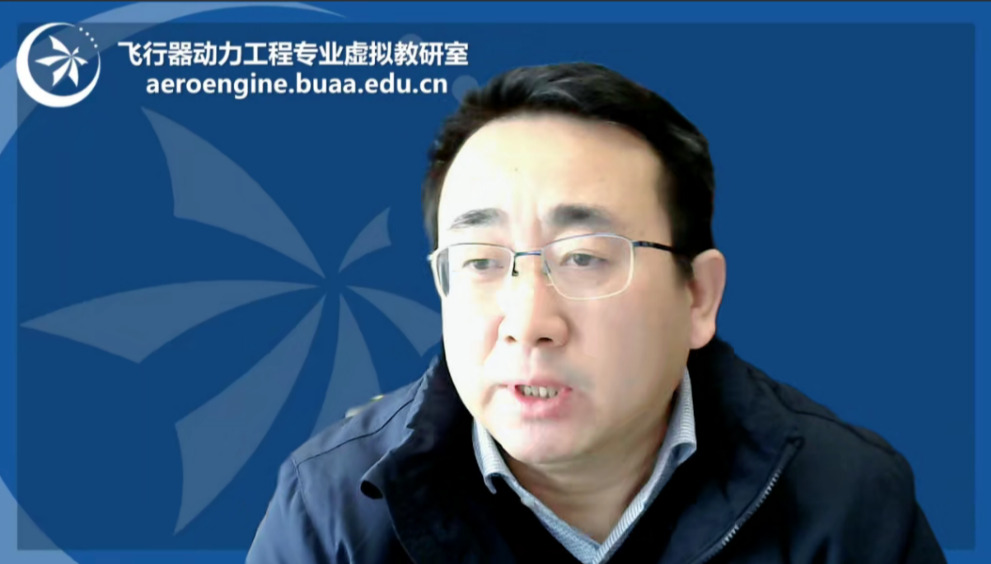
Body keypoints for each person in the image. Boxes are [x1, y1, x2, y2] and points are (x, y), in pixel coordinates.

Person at [246, 62, 946, 563]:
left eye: (583, 257)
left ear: (698, 296)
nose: (528, 321)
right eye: (481, 261)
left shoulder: (847, 499)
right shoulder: (334, 509)